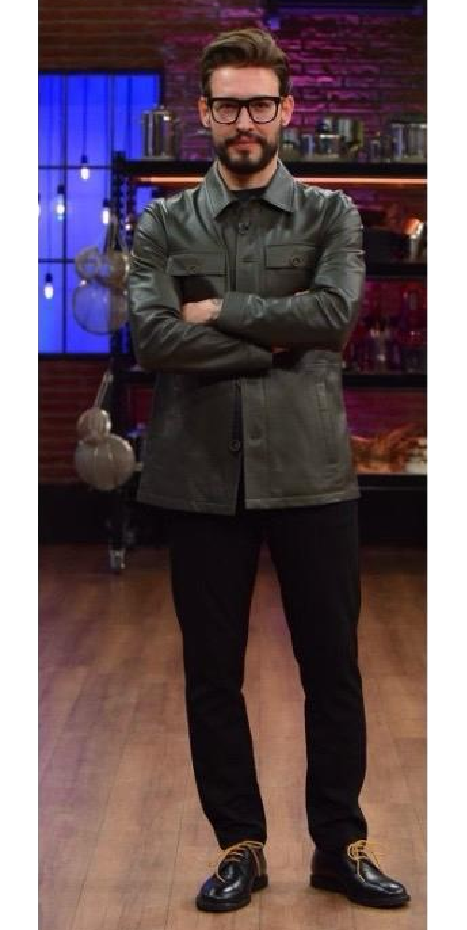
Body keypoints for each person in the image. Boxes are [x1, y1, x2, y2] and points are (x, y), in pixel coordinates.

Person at [128, 27, 410, 914]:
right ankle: (238, 848)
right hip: (196, 478)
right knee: (211, 675)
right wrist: (269, 345)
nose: (243, 121)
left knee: (332, 670)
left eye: (259, 104)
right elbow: (152, 338)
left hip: (311, 477)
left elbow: (330, 318)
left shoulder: (330, 215)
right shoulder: (163, 223)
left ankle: (340, 845)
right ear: (203, 114)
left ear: (285, 109)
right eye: (227, 106)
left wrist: (220, 313)